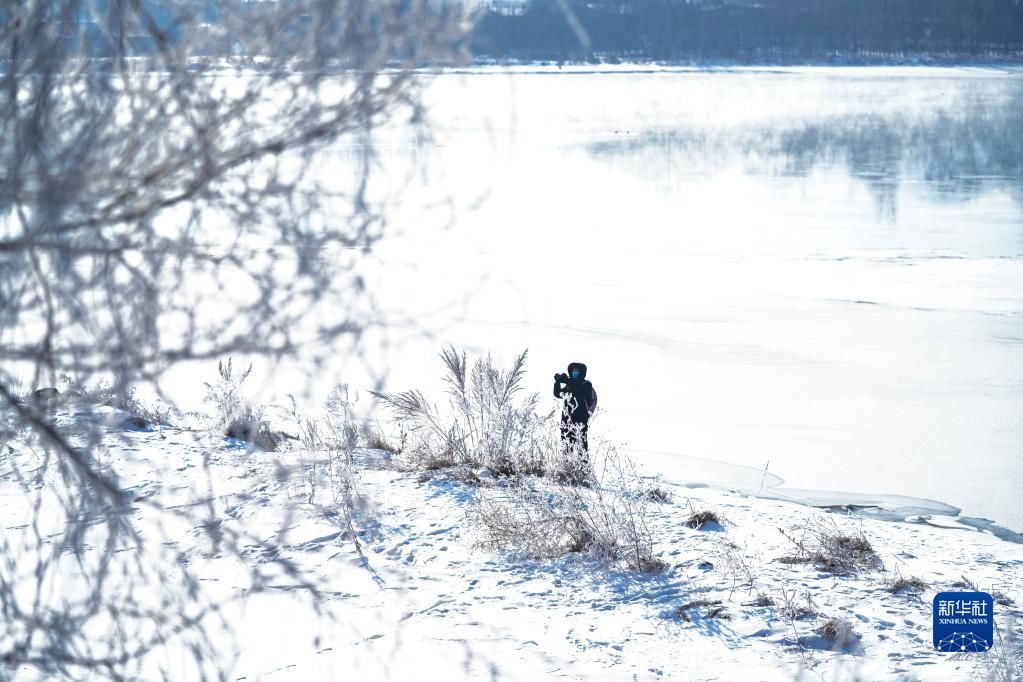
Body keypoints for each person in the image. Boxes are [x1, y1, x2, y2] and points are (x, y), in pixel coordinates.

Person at [553, 362, 598, 457]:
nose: (575, 373)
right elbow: (558, 394)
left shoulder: (586, 384)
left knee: (581, 449)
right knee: (566, 448)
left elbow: (579, 392)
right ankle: (567, 469)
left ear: (582, 373)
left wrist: (567, 381)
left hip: (580, 422)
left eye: (577, 371)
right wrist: (557, 382)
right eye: (573, 371)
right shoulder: (569, 385)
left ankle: (584, 471)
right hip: (566, 421)